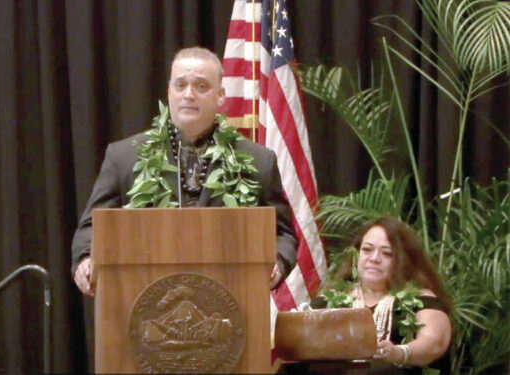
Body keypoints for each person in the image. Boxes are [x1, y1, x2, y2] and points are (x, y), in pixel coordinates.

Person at [71, 46, 298, 296]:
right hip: (145, 302)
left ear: (220, 96)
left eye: (201, 87)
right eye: (180, 85)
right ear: (169, 91)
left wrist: (276, 263)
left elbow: (283, 233)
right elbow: (91, 226)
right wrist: (84, 261)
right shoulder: (124, 157)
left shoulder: (258, 161)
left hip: (231, 304)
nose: (188, 95)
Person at [281, 216, 452, 374]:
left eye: (386, 253)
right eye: (367, 250)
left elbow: (434, 342)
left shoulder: (423, 299)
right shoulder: (331, 299)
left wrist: (399, 353)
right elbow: (295, 340)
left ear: (404, 260)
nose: (374, 258)